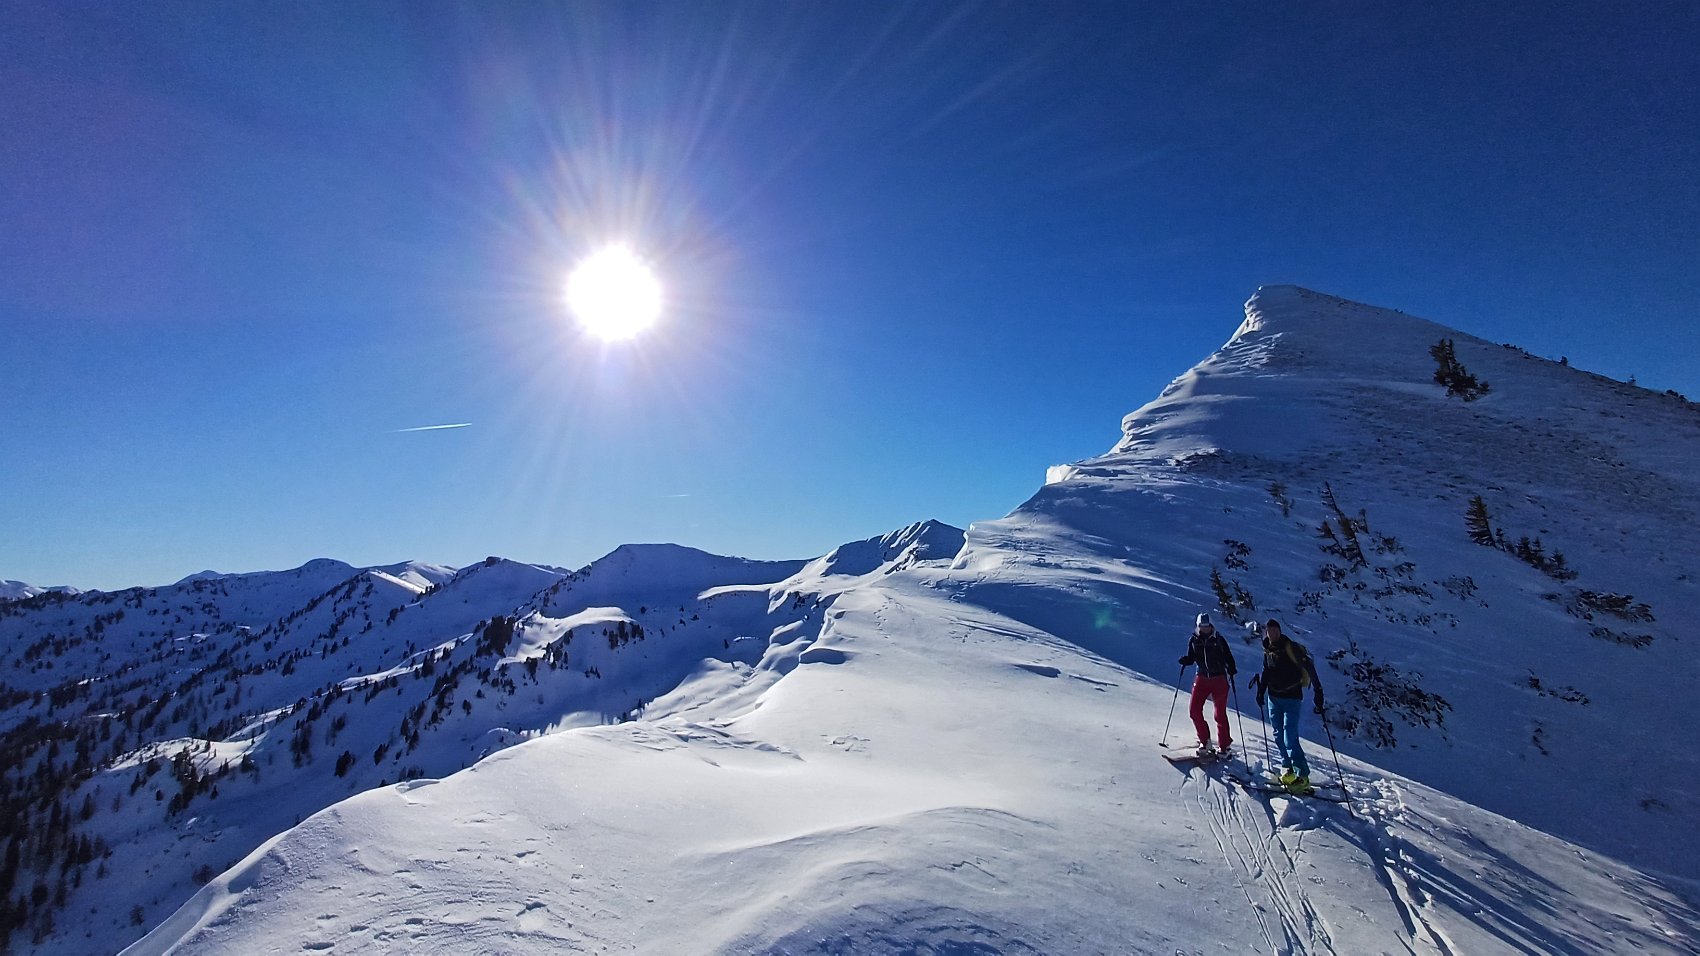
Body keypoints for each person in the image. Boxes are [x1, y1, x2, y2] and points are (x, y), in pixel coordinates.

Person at [1249, 619, 1325, 793]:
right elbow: (1266, 671)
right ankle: (1289, 769)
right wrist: (1261, 692)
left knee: (1289, 736)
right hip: (1273, 697)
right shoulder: (1268, 649)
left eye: (1275, 631)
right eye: (1269, 631)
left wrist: (1318, 691)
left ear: (1280, 631)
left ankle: (1303, 776)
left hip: (1292, 698)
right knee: (1278, 734)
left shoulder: (1290, 648)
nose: (1272, 634)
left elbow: (1309, 667)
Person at [1178, 612, 1236, 758]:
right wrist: (1186, 660)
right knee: (1194, 710)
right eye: (1202, 626)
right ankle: (1205, 742)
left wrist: (1231, 668)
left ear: (1211, 626)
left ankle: (1224, 746)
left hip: (1219, 678)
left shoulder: (1218, 639)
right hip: (1202, 677)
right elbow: (1192, 657)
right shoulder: (1194, 640)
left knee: (1219, 714)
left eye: (1207, 626)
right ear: (1198, 626)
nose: (1205, 628)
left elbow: (1228, 656)